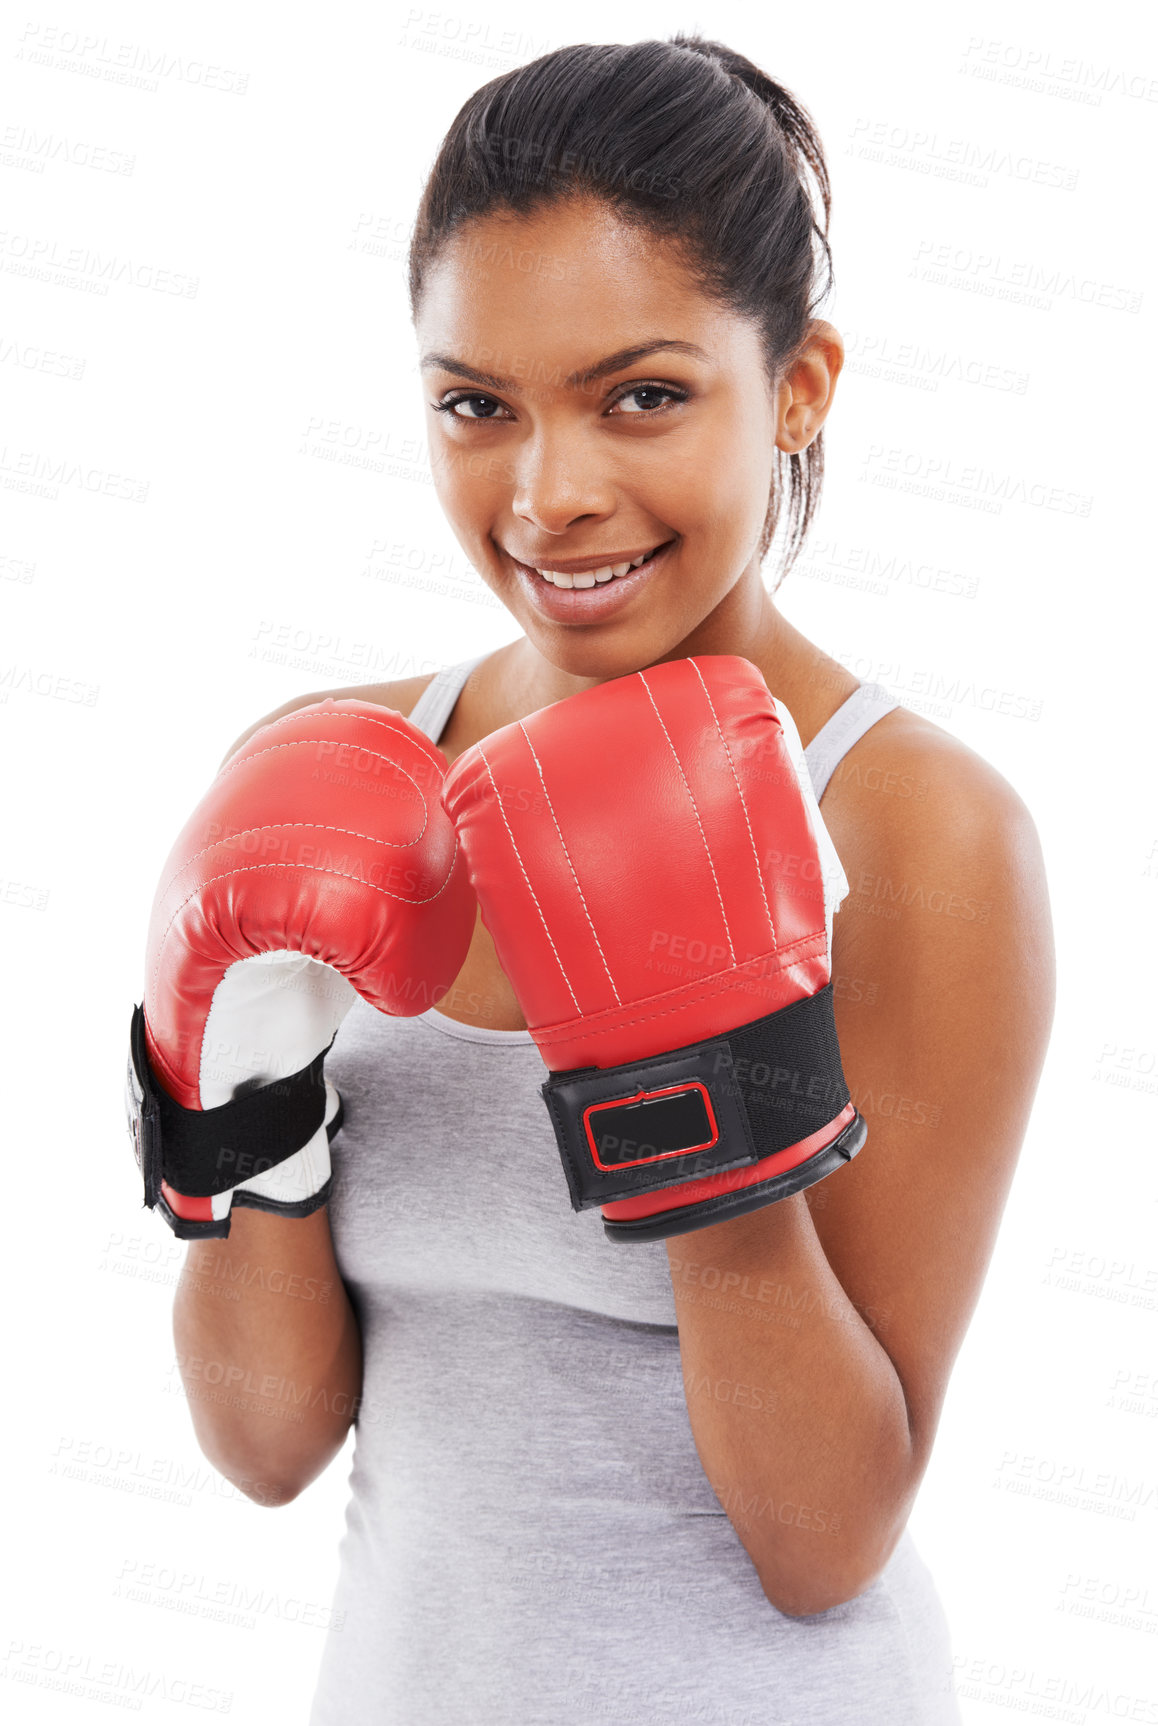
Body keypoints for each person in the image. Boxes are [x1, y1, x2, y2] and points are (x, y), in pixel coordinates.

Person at [164, 34, 1055, 1723]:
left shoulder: (918, 830)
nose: (549, 495)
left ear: (796, 385)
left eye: (640, 392)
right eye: (473, 406)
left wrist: (691, 1068)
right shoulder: (333, 773)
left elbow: (822, 1536)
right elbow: (264, 1444)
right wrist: (240, 1108)